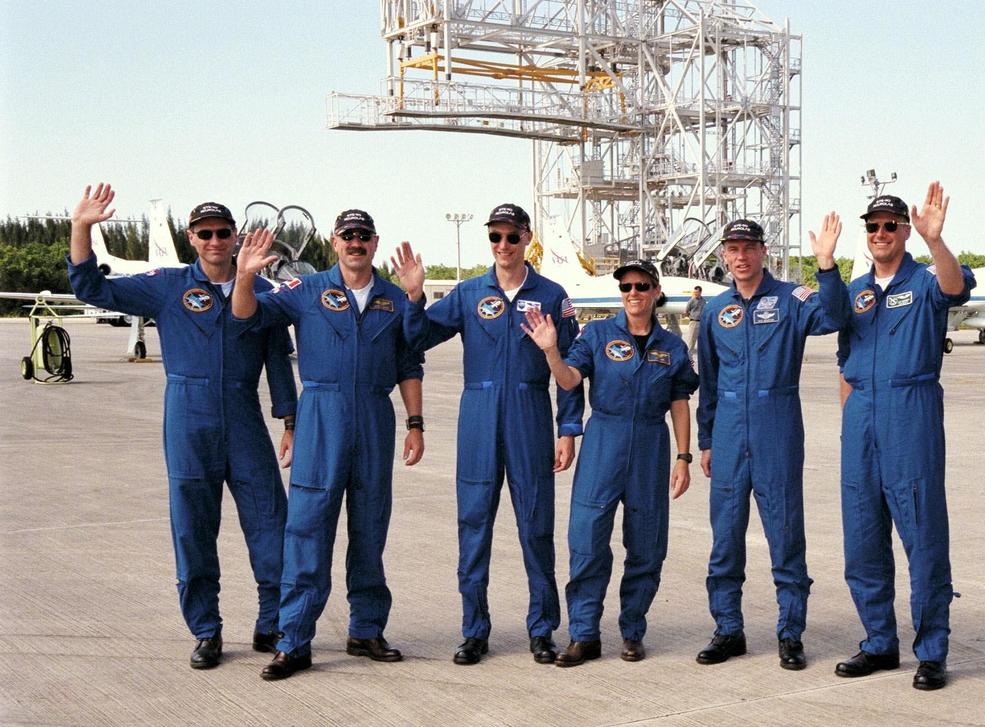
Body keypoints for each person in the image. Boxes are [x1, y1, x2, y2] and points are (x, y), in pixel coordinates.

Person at [67, 184, 296, 669]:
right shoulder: (167, 286)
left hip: (243, 417)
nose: (215, 241)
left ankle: (271, 621)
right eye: (205, 233)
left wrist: (289, 419)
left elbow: (277, 358)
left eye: (222, 232)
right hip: (188, 419)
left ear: (236, 237)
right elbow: (91, 288)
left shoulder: (264, 289)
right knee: (192, 529)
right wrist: (82, 227)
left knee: (271, 523)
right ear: (192, 239)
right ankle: (207, 630)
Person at [231, 211, 425, 680]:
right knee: (307, 529)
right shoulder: (306, 291)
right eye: (347, 236)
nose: (355, 243)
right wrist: (243, 276)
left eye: (363, 236)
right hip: (321, 414)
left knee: (370, 527)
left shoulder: (395, 298)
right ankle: (294, 640)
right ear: (334, 242)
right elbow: (244, 313)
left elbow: (410, 363)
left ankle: (366, 629)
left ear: (374, 243)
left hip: (374, 418)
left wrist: (415, 423)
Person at [811, 186, 975, 691]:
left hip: (911, 411)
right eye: (874, 226)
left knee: (923, 535)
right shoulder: (855, 292)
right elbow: (841, 347)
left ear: (905, 231)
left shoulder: (925, 281)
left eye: (891, 225)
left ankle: (932, 651)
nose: (881, 233)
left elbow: (955, 289)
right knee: (862, 538)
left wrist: (936, 240)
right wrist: (824, 265)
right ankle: (879, 641)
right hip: (861, 416)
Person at [416, 204, 585, 666]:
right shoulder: (469, 293)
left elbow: (571, 364)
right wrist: (414, 298)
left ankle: (542, 628)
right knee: (473, 526)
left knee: (536, 525)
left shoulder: (551, 295)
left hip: (529, 412)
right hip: (478, 415)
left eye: (512, 236)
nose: (503, 245)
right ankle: (474, 630)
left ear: (527, 237)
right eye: (495, 237)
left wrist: (568, 428)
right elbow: (419, 336)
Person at [520, 258, 698, 665]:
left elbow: (680, 402)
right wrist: (551, 352)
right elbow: (569, 380)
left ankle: (632, 630)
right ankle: (584, 634)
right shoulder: (597, 334)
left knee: (647, 545)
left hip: (651, 446)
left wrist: (683, 456)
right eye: (626, 287)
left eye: (641, 286)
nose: (632, 293)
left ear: (655, 292)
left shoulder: (672, 347)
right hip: (604, 441)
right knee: (587, 541)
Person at [694, 218, 838, 670]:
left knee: (785, 533)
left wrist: (827, 265)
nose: (740, 257)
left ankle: (790, 633)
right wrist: (706, 439)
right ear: (724, 255)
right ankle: (728, 629)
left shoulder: (792, 299)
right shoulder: (717, 310)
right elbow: (710, 383)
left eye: (748, 248)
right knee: (726, 539)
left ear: (763, 251)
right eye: (732, 249)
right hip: (729, 431)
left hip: (777, 424)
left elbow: (833, 316)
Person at [683, 285, 705, 356]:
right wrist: (690, 318)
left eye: (697, 292)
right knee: (691, 340)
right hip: (694, 322)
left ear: (700, 292)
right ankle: (689, 356)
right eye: (694, 292)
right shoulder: (691, 300)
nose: (695, 294)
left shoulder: (703, 301)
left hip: (701, 322)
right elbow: (686, 311)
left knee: (702, 339)